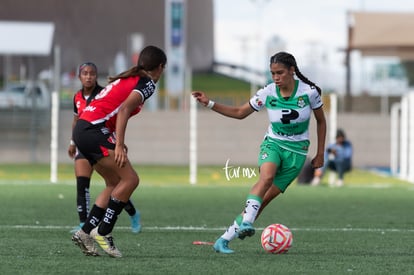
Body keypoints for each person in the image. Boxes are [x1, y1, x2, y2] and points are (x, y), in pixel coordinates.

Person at [192, 51, 326, 254]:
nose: (276, 78)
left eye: (280, 72)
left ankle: (223, 240)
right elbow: (239, 113)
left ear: (292, 71)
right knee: (266, 178)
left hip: (297, 154)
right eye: (272, 73)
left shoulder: (309, 93)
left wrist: (320, 152)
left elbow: (321, 121)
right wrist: (209, 103)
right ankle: (246, 223)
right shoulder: (268, 92)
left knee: (261, 203)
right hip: (273, 144)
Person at [71, 45, 167, 258]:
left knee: (114, 183)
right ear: (160, 67)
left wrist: (116, 141)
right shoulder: (147, 83)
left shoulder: (128, 78)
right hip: (94, 130)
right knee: (131, 180)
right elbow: (123, 109)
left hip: (85, 130)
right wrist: (119, 144)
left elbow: (113, 111)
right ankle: (103, 231)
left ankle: (85, 232)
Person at [68, 62, 142, 234]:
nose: (88, 77)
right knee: (82, 185)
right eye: (85, 73)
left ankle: (132, 213)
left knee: (115, 183)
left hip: (100, 140)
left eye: (92, 73)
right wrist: (72, 142)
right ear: (79, 77)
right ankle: (84, 226)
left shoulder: (103, 93)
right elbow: (76, 120)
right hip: (82, 142)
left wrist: (117, 142)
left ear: (96, 76)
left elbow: (113, 118)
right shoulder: (77, 97)